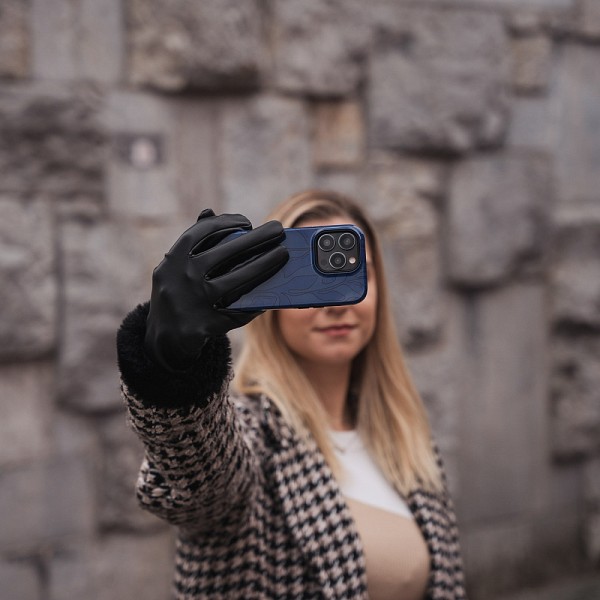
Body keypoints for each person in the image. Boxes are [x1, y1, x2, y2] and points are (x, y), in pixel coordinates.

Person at [116, 190, 466, 600]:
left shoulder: (404, 434)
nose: (336, 306)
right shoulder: (253, 432)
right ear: (271, 294)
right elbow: (200, 488)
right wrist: (171, 363)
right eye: (311, 279)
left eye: (354, 271)